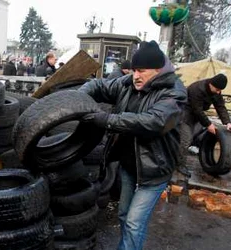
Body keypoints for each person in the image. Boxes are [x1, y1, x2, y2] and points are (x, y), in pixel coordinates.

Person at [78, 40, 187, 250]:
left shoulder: (174, 92)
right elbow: (99, 85)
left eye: (142, 71)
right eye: (134, 70)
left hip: (155, 169)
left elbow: (153, 122)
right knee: (124, 214)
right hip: (130, 165)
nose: (136, 75)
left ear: (157, 70)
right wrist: (78, 96)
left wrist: (107, 119)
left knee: (134, 222)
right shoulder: (129, 83)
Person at [177, 73, 231, 177]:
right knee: (186, 139)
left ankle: (188, 150)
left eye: (220, 90)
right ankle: (179, 165)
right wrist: (208, 124)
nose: (218, 92)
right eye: (217, 89)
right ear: (211, 84)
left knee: (196, 136)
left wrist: (227, 122)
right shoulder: (197, 89)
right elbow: (197, 109)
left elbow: (220, 106)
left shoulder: (216, 91)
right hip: (185, 114)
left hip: (196, 115)